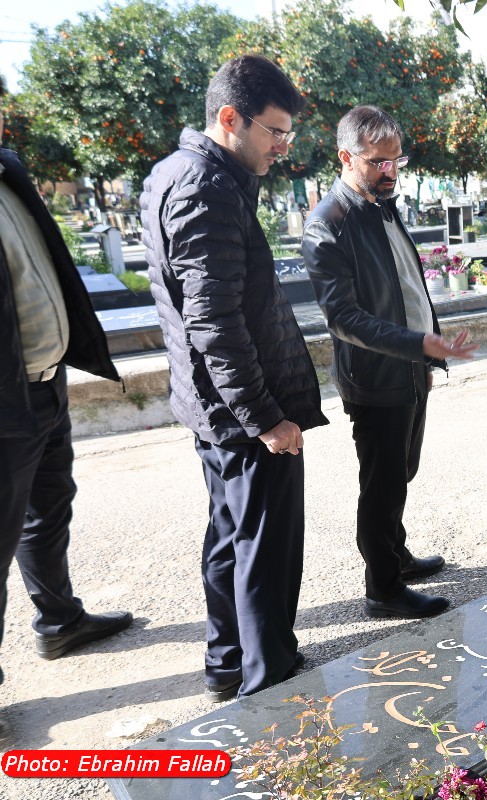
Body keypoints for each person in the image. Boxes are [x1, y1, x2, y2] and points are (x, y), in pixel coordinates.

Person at [140, 55, 328, 702]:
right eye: (275, 132)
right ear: (230, 118)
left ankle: (227, 663)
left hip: (213, 405)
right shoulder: (206, 188)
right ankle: (268, 684)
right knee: (264, 551)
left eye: (288, 134)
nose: (283, 147)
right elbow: (213, 322)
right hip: (243, 409)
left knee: (231, 535)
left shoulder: (177, 171)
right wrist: (266, 418)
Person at [302, 106, 477, 620]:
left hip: (408, 367)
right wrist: (420, 345)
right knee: (380, 485)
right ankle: (382, 589)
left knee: (401, 471)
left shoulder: (381, 204)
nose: (390, 171)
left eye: (397, 160)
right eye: (378, 161)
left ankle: (395, 554)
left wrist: (424, 358)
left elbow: (406, 284)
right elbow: (343, 319)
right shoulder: (327, 224)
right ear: (345, 157)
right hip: (376, 377)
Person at [0, 76, 132, 737]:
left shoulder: (8, 173)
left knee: (50, 506)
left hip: (43, 382)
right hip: (5, 397)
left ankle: (59, 621)